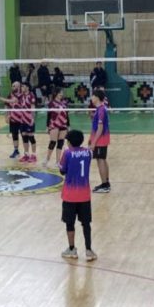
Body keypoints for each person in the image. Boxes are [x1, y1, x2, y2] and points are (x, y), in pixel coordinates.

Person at [59, 130, 96, 262]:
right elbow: (90, 152)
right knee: (86, 223)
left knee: (70, 223)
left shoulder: (67, 153)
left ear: (69, 142)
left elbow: (62, 170)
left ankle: (72, 249)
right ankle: (89, 250)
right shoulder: (88, 153)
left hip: (69, 195)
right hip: (84, 195)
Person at [90, 90, 111, 193]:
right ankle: (106, 183)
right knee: (103, 159)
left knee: (100, 160)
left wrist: (94, 142)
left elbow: (100, 128)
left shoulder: (101, 110)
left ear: (97, 97)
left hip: (100, 139)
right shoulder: (100, 109)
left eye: (92, 96)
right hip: (101, 139)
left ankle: (105, 185)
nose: (91, 98)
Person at [0, 81, 23, 159]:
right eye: (12, 86)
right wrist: (6, 116)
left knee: (24, 135)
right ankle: (16, 150)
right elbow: (7, 106)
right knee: (14, 135)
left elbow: (12, 101)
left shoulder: (22, 95)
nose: (12, 87)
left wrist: (0, 98)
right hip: (13, 119)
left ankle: (26, 153)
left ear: (18, 87)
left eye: (14, 86)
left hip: (22, 119)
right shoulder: (10, 95)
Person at [44, 88, 69, 167]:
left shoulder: (64, 103)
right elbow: (49, 115)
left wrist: (68, 125)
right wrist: (47, 126)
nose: (61, 94)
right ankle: (47, 159)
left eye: (62, 93)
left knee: (61, 142)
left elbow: (67, 115)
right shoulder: (51, 103)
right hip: (54, 124)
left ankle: (58, 162)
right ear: (56, 93)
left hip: (63, 124)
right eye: (60, 92)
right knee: (53, 142)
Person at [18, 83, 37, 163]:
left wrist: (32, 119)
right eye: (21, 86)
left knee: (31, 137)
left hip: (29, 120)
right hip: (22, 121)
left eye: (23, 86)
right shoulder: (21, 96)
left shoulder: (31, 96)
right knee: (24, 137)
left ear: (27, 88)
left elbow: (33, 108)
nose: (22, 88)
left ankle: (34, 155)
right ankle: (26, 154)